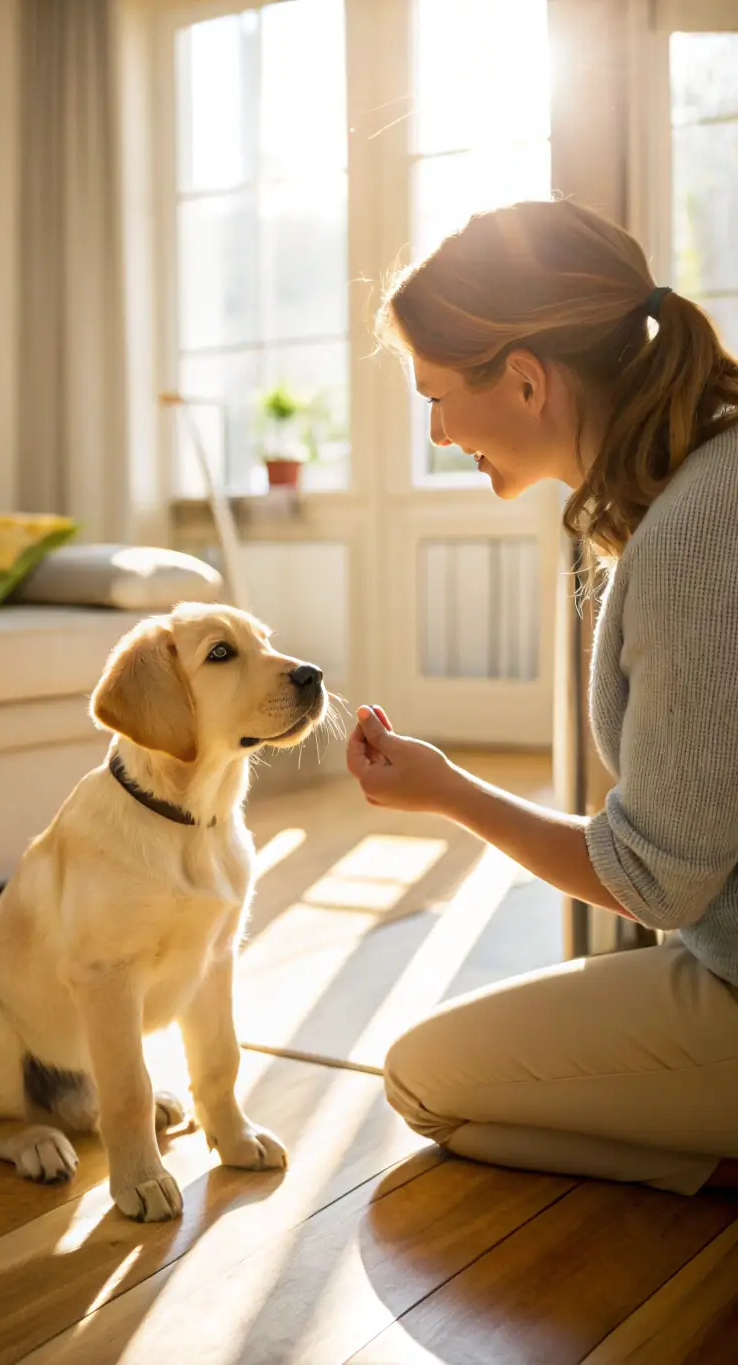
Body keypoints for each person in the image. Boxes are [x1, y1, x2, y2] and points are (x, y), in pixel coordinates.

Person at [347, 198, 738, 1195]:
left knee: (423, 1081)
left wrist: (447, 793)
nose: (436, 432)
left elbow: (656, 885)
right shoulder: (709, 475)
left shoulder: (697, 531)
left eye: (435, 395)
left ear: (525, 378)